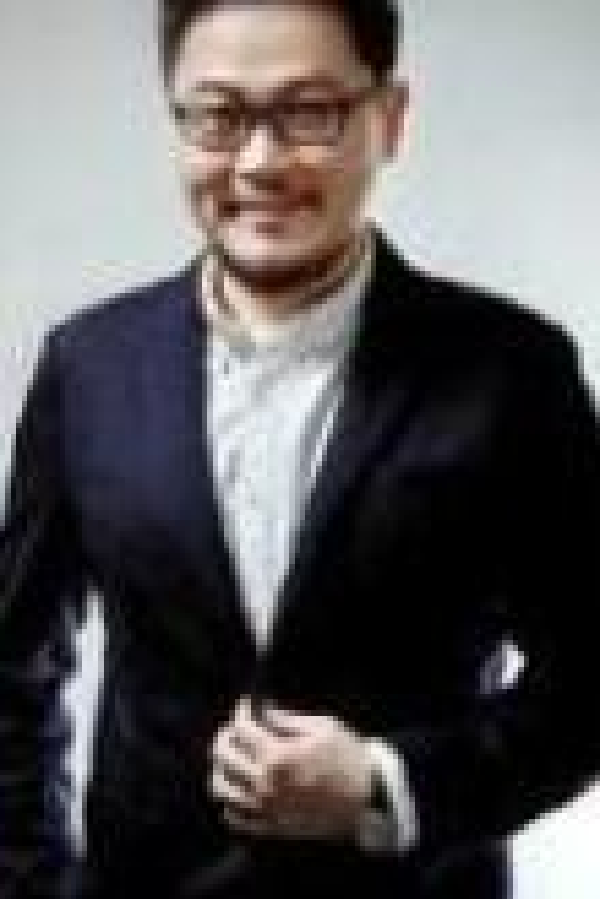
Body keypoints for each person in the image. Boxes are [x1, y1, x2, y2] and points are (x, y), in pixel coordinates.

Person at [1, 0, 599, 896]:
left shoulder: (513, 372)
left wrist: (389, 783)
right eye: (218, 116)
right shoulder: (86, 366)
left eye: (309, 112)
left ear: (389, 118)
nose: (258, 161)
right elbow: (12, 669)